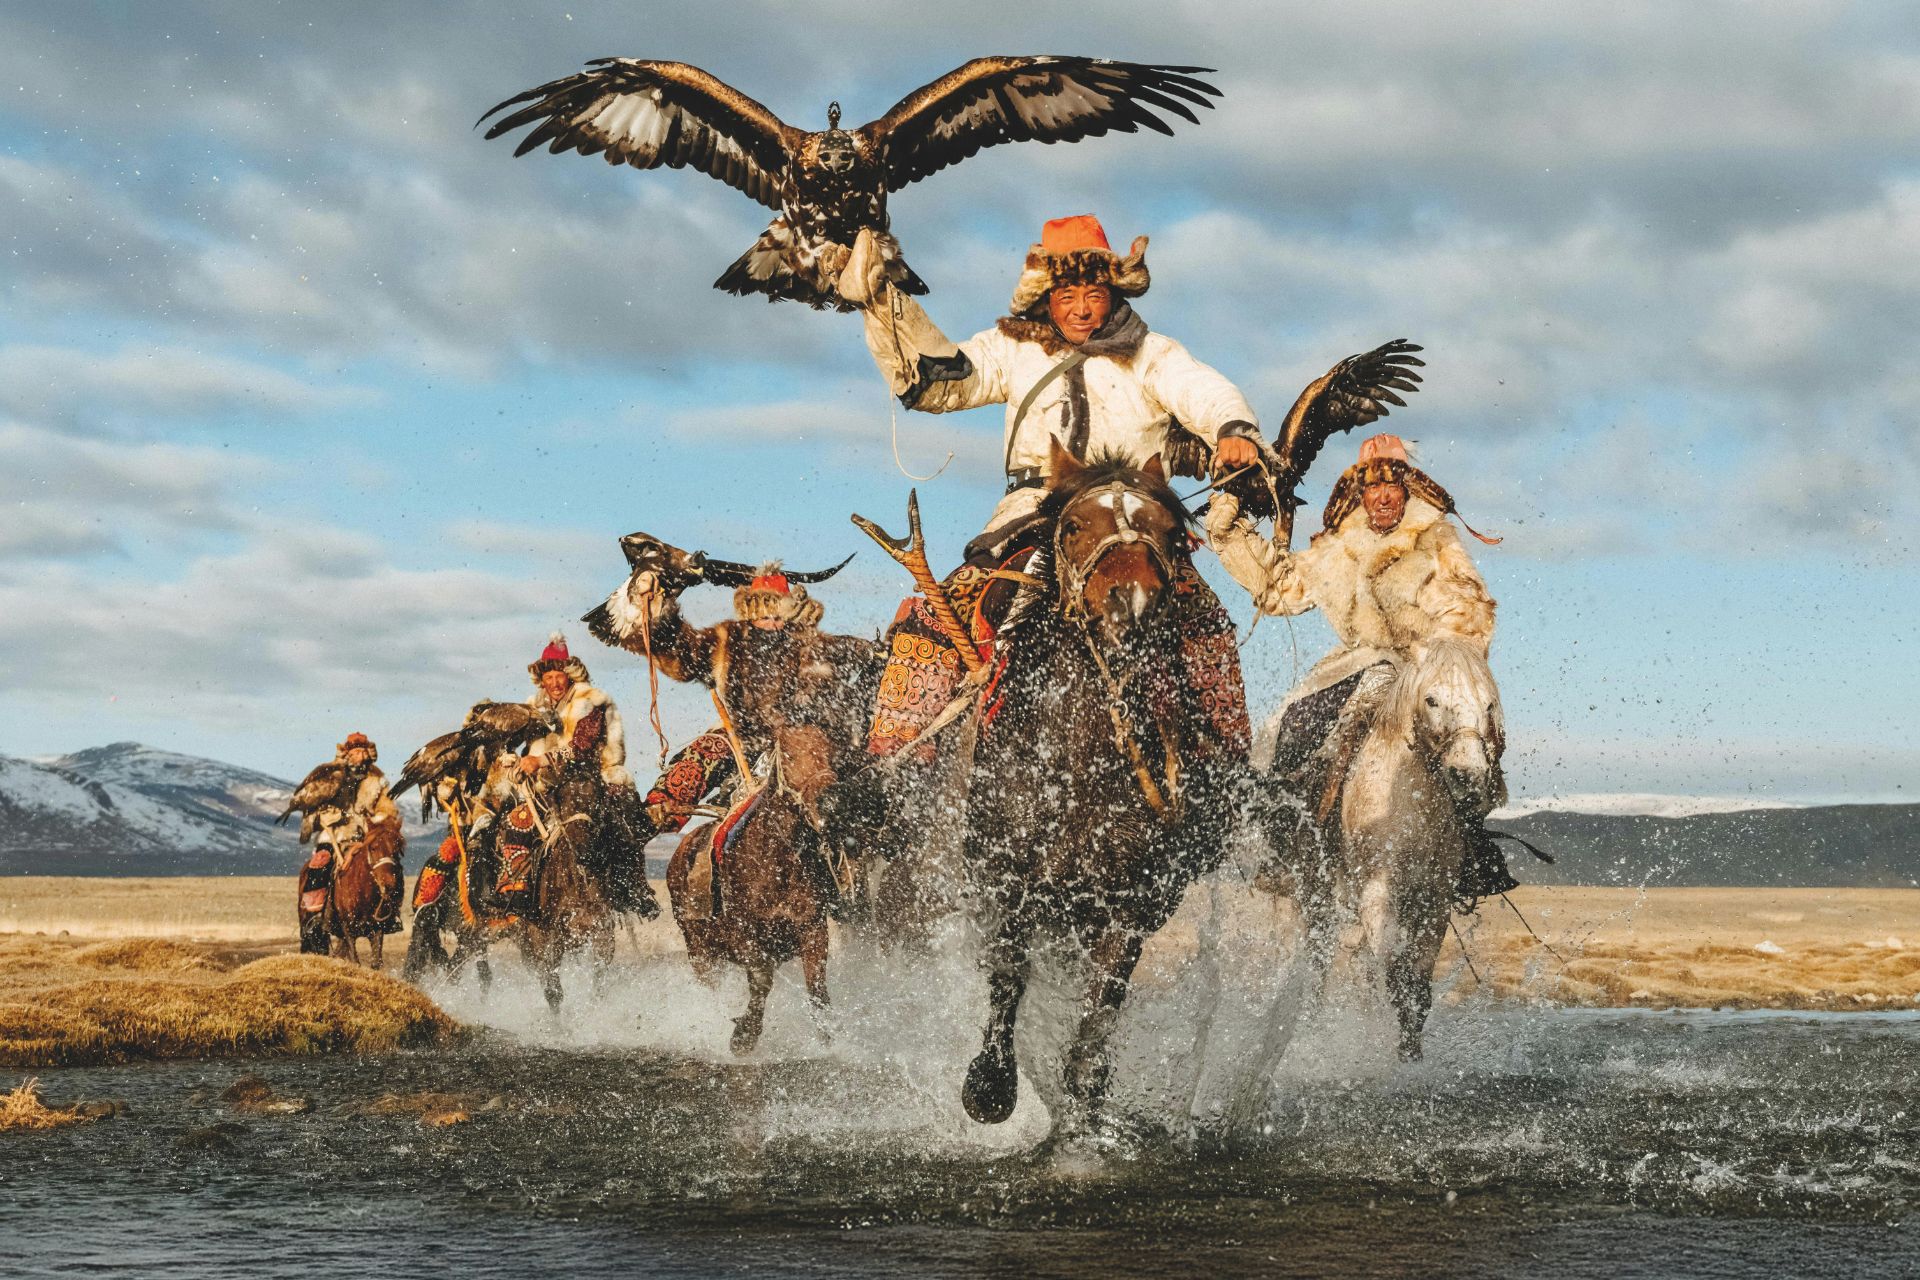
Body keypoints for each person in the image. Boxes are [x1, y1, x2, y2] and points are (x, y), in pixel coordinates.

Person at [835, 214, 1264, 758]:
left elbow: (1203, 390)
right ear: (1047, 295)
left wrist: (1233, 428)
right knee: (933, 616)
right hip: (1034, 512)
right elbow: (937, 380)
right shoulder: (1011, 348)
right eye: (1067, 294)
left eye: (1095, 292)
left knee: (1204, 622)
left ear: (1113, 293)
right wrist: (880, 300)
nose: (1082, 308)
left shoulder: (1153, 354)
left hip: (1132, 515)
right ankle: (895, 764)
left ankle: (1229, 770)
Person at [1255, 433, 1514, 898]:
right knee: (1292, 724)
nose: (1384, 496)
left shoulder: (1434, 539)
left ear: (1407, 490)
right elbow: (1280, 593)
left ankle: (1471, 847)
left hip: (1424, 662)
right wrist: (1233, 534)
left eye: (1393, 486)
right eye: (1373, 487)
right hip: (1356, 662)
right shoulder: (1335, 545)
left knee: (1471, 737)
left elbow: (1470, 607)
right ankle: (1284, 843)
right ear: (1359, 492)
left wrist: (1436, 656)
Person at [520, 633, 660, 918]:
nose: (554, 682)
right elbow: (526, 750)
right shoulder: (533, 710)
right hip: (549, 782)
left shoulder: (590, 702)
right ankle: (518, 891)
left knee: (623, 819)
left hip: (591, 777)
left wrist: (541, 760)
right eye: (549, 677)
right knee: (515, 823)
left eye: (559, 676)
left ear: (570, 676)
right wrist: (517, 762)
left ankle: (632, 887)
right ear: (542, 681)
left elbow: (581, 748)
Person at [295, 731, 403, 950]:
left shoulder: (377, 781)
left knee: (390, 865)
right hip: (333, 835)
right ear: (347, 754)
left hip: (365, 837)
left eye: (363, 752)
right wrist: (323, 816)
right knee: (320, 866)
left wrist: (375, 822)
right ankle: (314, 916)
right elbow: (311, 809)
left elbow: (387, 810)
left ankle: (390, 913)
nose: (359, 757)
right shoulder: (330, 776)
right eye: (355, 752)